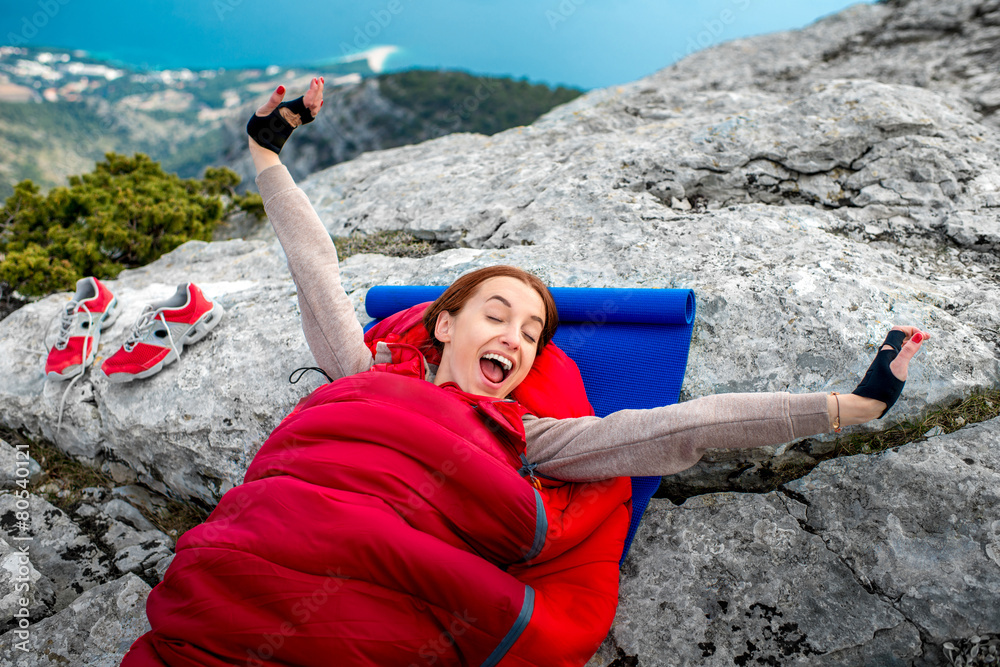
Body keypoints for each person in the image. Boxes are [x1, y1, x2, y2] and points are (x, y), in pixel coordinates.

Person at [122, 79, 927, 667]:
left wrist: (848, 405)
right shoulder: (360, 367)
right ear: (444, 324)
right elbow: (314, 266)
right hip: (225, 587)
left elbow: (675, 428)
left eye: (533, 332)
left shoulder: (529, 436)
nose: (515, 335)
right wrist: (266, 153)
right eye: (496, 313)